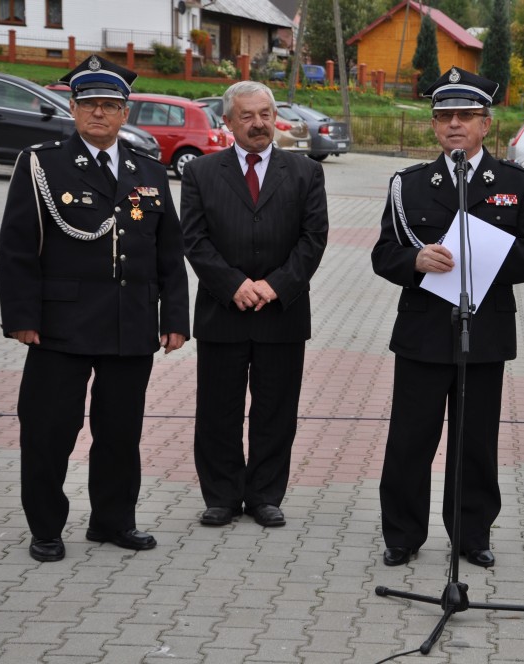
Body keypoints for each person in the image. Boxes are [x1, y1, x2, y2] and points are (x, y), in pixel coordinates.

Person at [0, 55, 190, 562]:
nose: (99, 114)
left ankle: (112, 520)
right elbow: (17, 246)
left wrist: (174, 320)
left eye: (110, 106)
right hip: (61, 326)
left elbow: (169, 252)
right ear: (74, 109)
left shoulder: (147, 169)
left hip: (131, 323)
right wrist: (21, 317)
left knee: (120, 432)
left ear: (125, 113)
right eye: (89, 106)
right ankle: (46, 527)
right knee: (49, 431)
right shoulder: (43, 163)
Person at [371, 67, 524, 568]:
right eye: (444, 116)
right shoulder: (407, 185)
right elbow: (383, 254)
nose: (454, 124)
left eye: (465, 116)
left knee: (475, 442)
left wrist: (484, 258)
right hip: (423, 331)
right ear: (433, 126)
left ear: (485, 124)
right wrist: (414, 262)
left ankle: (472, 535)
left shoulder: (515, 185)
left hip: (485, 332)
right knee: (410, 439)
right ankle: (403, 535)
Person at [181, 81, 328, 529]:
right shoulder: (201, 173)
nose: (259, 123)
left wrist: (274, 286)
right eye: (247, 115)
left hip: (281, 313)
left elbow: (313, 239)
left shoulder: (304, 173)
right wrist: (234, 284)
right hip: (221, 312)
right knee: (217, 411)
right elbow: (194, 238)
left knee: (276, 411)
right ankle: (222, 496)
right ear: (227, 122)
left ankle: (265, 495)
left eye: (265, 114)